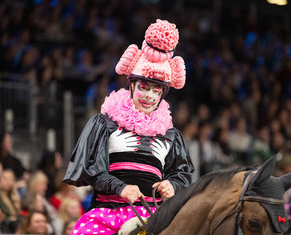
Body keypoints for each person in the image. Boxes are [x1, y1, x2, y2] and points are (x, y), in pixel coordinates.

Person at [63, 19, 194, 234]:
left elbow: (182, 175)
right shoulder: (104, 124)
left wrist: (173, 185)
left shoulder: (171, 136)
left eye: (156, 91)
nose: (150, 96)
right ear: (131, 85)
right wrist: (120, 188)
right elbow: (89, 169)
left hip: (156, 218)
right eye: (144, 87)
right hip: (108, 213)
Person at [0, 169, 21, 233]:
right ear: (0, 180)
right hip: (3, 230)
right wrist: (8, 219)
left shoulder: (14, 197)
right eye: (5, 179)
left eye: (11, 179)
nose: (8, 182)